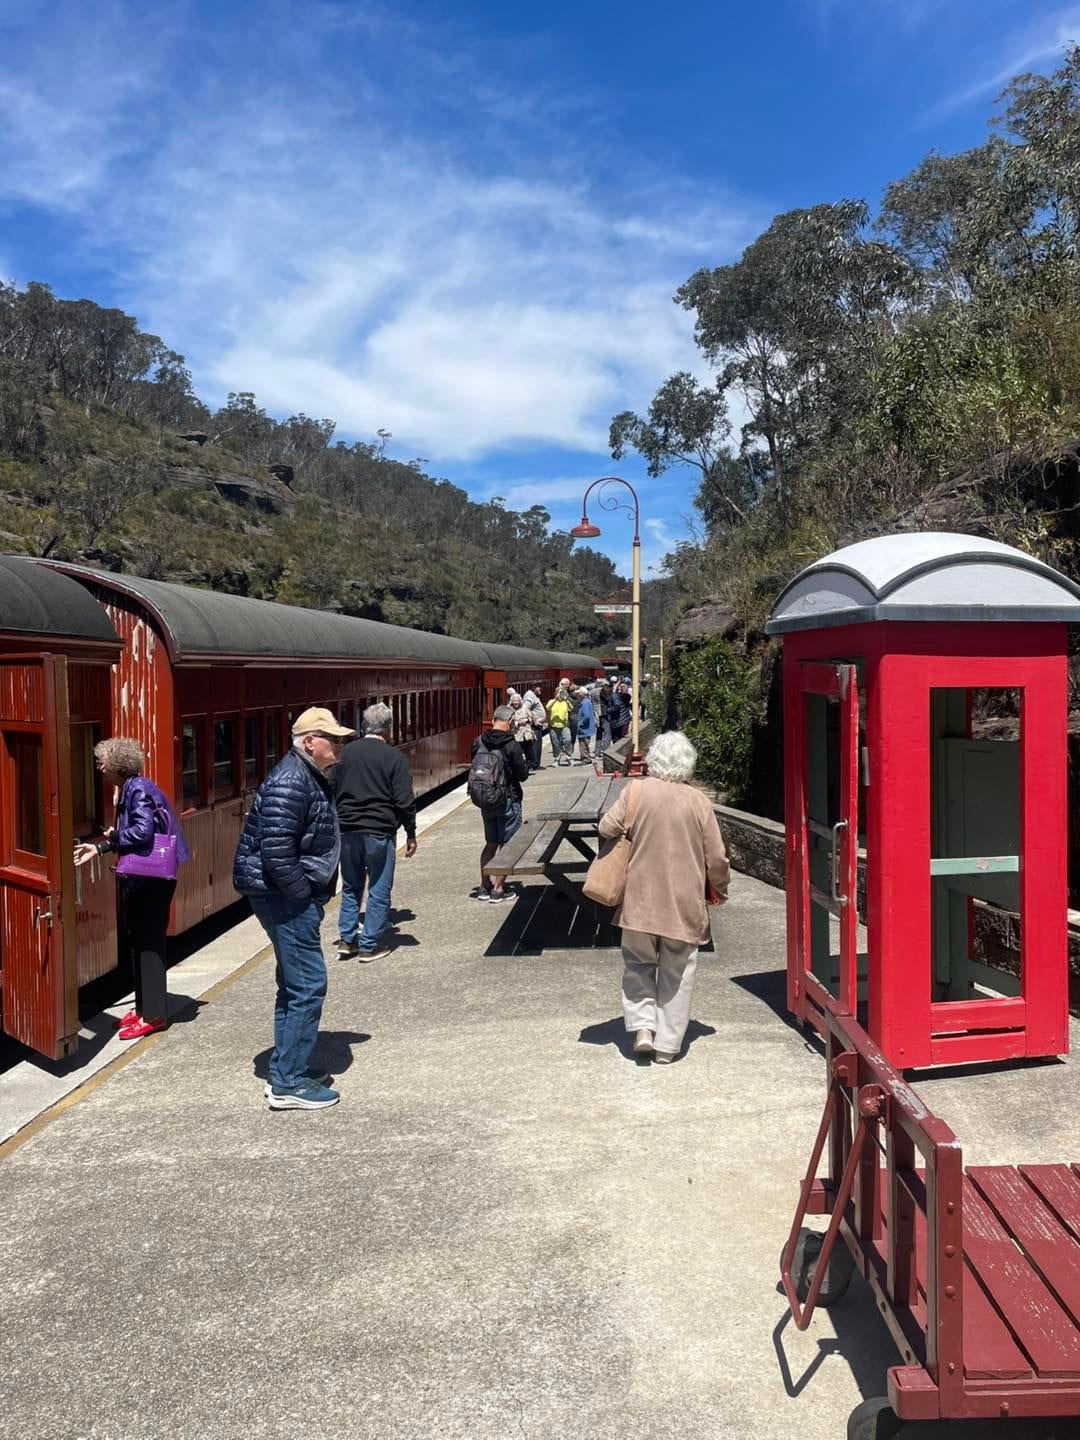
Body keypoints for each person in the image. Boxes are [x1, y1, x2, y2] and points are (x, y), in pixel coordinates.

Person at [233, 706, 354, 1110]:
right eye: (332, 738)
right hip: (284, 898)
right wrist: (303, 897)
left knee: (293, 983)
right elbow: (277, 852)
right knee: (307, 985)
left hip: (285, 896)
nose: (339, 744)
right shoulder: (291, 781)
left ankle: (287, 1068)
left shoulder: (306, 775)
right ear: (309, 742)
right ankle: (289, 1083)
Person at [597, 730, 729, 1064]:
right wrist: (721, 888)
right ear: (688, 764)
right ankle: (668, 1046)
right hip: (683, 904)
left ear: (655, 760)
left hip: (639, 900)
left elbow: (606, 827)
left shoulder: (636, 790)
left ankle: (643, 1028)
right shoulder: (698, 801)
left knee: (638, 964)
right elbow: (716, 857)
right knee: (678, 972)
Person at [74, 738, 191, 1041]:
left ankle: (153, 1015)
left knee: (149, 944)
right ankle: (142, 1008)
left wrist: (108, 842)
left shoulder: (137, 789)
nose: (99, 768)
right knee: (139, 942)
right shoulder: (132, 788)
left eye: (101, 762)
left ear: (116, 765)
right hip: (146, 880)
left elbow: (142, 831)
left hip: (152, 881)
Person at [333, 701, 417, 962]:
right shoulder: (394, 757)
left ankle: (347, 940)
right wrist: (411, 832)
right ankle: (369, 944)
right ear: (388, 729)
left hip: (347, 831)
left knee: (350, 886)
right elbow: (404, 800)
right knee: (379, 887)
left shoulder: (344, 754)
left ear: (364, 726)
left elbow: (330, 789)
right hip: (379, 831)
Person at [472, 703, 530, 904]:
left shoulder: (479, 742)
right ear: (511, 721)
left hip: (485, 800)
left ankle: (484, 885)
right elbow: (522, 775)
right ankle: (498, 888)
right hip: (508, 799)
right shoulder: (511, 745)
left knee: (491, 842)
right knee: (507, 844)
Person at [546, 685, 573, 766]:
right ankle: (556, 759)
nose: (560, 694)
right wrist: (555, 699)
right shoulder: (552, 701)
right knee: (556, 743)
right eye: (559, 692)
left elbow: (571, 708)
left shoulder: (565, 702)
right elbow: (548, 707)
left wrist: (567, 700)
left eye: (562, 693)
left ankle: (569, 757)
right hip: (554, 726)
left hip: (564, 725)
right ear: (556, 693)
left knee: (567, 740)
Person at [509, 692, 535, 765]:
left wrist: (526, 720)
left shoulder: (525, 707)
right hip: (516, 734)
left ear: (520, 701)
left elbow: (531, 718)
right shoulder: (509, 709)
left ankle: (529, 765)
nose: (516, 702)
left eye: (517, 700)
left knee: (529, 751)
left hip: (526, 733)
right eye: (514, 701)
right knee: (518, 751)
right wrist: (518, 723)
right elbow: (509, 722)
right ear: (512, 702)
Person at [523, 686, 546, 769]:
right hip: (534, 725)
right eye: (538, 687)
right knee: (535, 744)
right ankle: (534, 764)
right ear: (533, 688)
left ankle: (536, 763)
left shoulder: (533, 695)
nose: (540, 689)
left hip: (537, 725)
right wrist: (534, 720)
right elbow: (526, 708)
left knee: (537, 744)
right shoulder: (529, 696)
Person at [575, 687, 596, 766]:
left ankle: (586, 759)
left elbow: (586, 715)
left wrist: (580, 723)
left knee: (583, 744)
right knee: (584, 743)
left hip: (585, 728)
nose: (577, 695)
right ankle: (586, 757)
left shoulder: (584, 703)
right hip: (587, 728)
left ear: (581, 694)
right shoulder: (587, 701)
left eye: (578, 694)